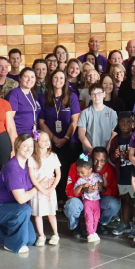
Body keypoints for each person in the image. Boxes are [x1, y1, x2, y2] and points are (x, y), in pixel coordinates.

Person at [0, 134, 39, 254]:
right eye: (25, 146)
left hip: (9, 206)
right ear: (17, 146)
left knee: (30, 240)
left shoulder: (28, 166)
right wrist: (38, 188)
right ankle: (12, 245)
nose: (29, 149)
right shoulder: (13, 168)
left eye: (31, 146)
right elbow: (21, 199)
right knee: (24, 210)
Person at [39, 69, 82, 201]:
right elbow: (41, 122)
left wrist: (65, 138)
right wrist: (54, 138)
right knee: (51, 170)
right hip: (50, 142)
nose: (58, 80)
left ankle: (66, 198)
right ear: (51, 80)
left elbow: (75, 121)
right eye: (55, 78)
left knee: (66, 170)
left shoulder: (72, 97)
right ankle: (53, 199)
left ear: (65, 81)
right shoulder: (44, 98)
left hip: (69, 141)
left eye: (61, 78)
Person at [28, 131, 61, 246]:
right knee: (38, 214)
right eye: (43, 140)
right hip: (37, 190)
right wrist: (41, 189)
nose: (47, 142)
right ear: (37, 142)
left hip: (50, 189)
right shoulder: (32, 158)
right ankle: (41, 235)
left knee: (51, 212)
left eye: (48, 139)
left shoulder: (53, 156)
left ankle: (55, 234)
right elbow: (32, 176)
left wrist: (52, 188)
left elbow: (58, 174)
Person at [72, 153, 104, 243]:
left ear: (90, 170)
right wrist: (82, 186)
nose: (80, 174)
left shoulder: (96, 176)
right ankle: (90, 233)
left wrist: (99, 185)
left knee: (96, 217)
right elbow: (75, 192)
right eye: (78, 172)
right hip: (87, 201)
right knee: (89, 217)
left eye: (82, 172)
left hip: (96, 201)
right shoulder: (80, 180)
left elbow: (103, 186)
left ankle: (94, 232)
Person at [77, 82, 118, 151]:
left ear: (104, 94)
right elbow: (81, 135)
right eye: (93, 94)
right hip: (89, 152)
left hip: (107, 151)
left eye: (99, 93)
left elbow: (114, 134)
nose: (96, 96)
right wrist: (91, 150)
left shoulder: (112, 113)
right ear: (90, 97)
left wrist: (107, 151)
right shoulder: (85, 113)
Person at [6, 68, 40, 146]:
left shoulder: (33, 94)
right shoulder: (14, 94)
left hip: (32, 135)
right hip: (19, 136)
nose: (29, 79)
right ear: (20, 78)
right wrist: (14, 139)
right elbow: (9, 119)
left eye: (32, 77)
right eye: (26, 76)